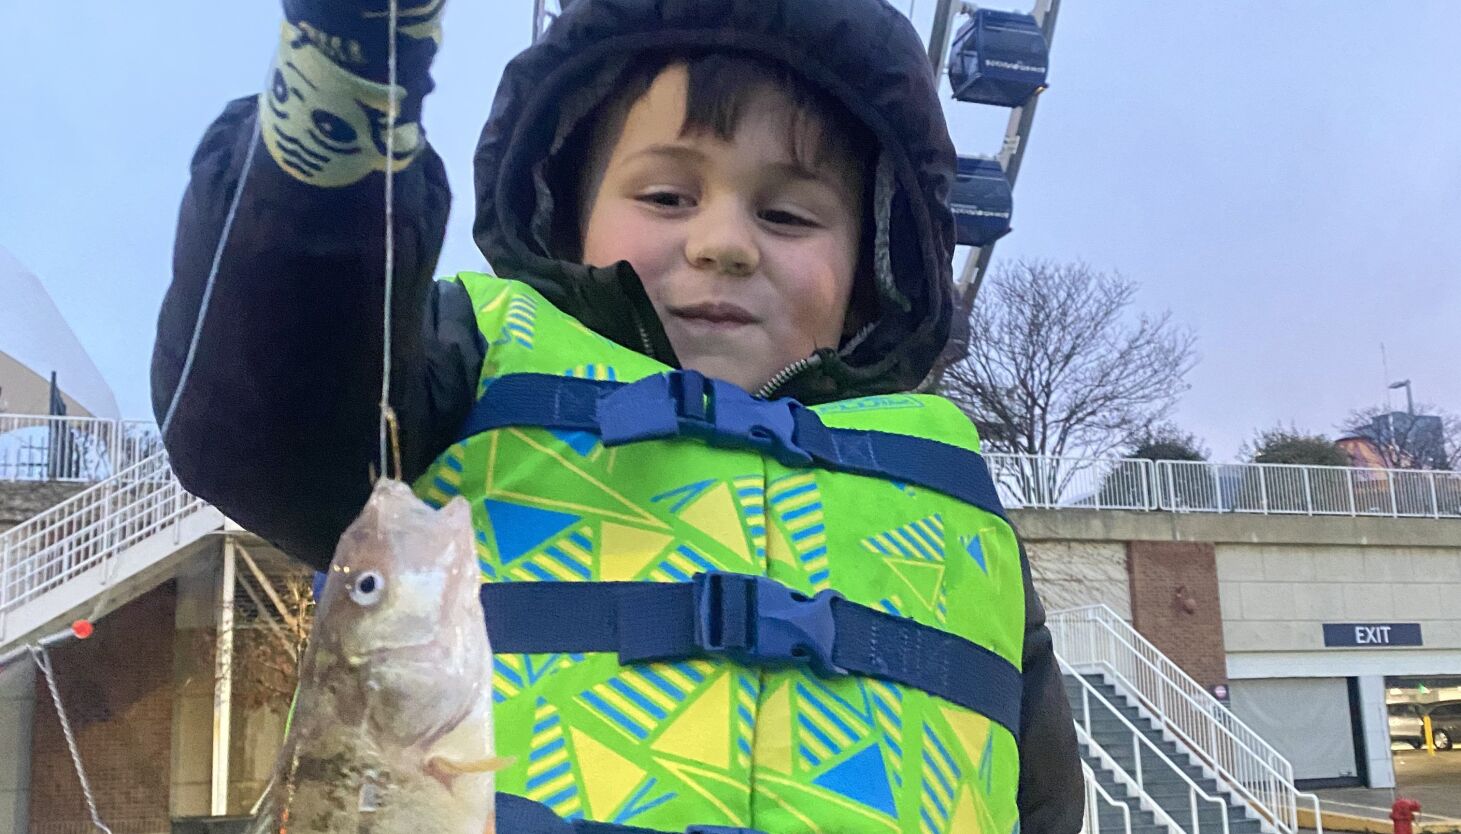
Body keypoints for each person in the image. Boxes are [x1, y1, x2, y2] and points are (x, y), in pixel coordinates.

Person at [152, 1, 1083, 832]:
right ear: (569, 217)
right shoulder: (463, 369)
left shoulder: (952, 486)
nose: (722, 243)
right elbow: (269, 407)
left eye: (790, 215)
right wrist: (341, 96)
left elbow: (1037, 794)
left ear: (877, 261)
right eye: (666, 196)